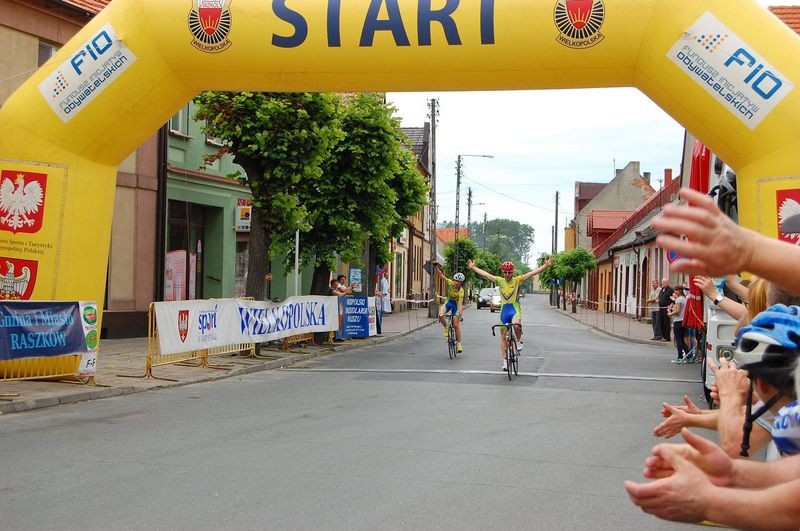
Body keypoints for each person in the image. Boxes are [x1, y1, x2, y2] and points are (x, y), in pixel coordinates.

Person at [468, 257, 553, 371]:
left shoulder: (517, 280)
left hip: (514, 309)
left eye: (509, 272)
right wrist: (473, 267)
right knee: (503, 338)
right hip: (504, 310)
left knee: (516, 325)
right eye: (505, 272)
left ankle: (518, 342)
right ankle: (505, 361)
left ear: (512, 272)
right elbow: (486, 275)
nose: (507, 274)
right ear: (502, 272)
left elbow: (532, 273)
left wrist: (546, 266)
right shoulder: (500, 280)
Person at [433, 262, 465, 353]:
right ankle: (446, 327)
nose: (456, 283)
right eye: (456, 280)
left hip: (456, 304)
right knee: (440, 314)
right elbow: (440, 275)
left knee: (456, 325)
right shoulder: (450, 283)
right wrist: (436, 267)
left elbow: (460, 304)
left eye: (459, 282)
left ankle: (459, 344)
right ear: (453, 280)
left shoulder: (461, 291)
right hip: (449, 301)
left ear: (461, 283)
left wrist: (459, 315)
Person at [668, 286, 687, 363]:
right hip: (683, 321)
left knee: (678, 340)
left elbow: (677, 311)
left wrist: (670, 313)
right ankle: (689, 356)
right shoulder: (684, 298)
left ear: (680, 291)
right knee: (682, 340)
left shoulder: (678, 300)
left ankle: (680, 357)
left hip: (678, 321)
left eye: (676, 290)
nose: (675, 292)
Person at [374, 268, 392, 335]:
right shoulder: (383, 280)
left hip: (386, 293)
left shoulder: (386, 280)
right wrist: (384, 292)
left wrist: (388, 290)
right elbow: (384, 287)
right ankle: (384, 311)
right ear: (384, 275)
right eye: (387, 275)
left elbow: (387, 287)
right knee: (384, 304)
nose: (388, 276)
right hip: (384, 294)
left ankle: (386, 311)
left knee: (386, 303)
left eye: (388, 275)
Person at [657, 278, 673, 342]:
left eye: (665, 282)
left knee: (666, 323)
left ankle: (667, 337)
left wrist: (671, 305)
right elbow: (660, 297)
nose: (663, 283)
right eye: (662, 282)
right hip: (661, 308)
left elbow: (673, 299)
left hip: (667, 309)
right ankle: (663, 336)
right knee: (661, 322)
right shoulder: (662, 290)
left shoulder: (670, 290)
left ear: (667, 282)